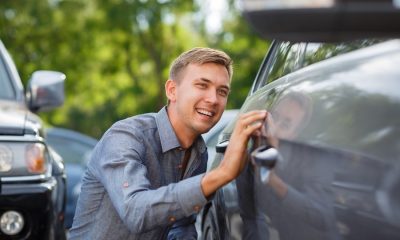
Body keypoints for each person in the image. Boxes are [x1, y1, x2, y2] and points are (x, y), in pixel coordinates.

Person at [68, 47, 267, 240]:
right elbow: (136, 212)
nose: (213, 99)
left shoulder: (199, 153)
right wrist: (221, 174)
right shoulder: (126, 136)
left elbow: (181, 226)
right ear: (172, 90)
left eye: (222, 91)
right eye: (202, 85)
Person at [237, 91, 339, 240]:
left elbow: (323, 217)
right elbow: (251, 217)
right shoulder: (252, 151)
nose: (274, 129)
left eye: (285, 125)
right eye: (274, 117)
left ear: (294, 135)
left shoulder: (315, 159)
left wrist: (273, 180)